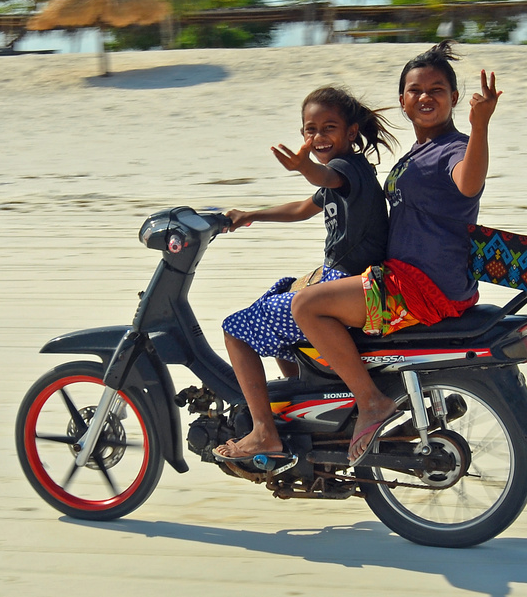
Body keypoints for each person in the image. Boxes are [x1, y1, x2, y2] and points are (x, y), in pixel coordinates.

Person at [291, 42, 502, 463]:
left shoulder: (454, 148)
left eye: (437, 89)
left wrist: (480, 127)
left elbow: (468, 184)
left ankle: (370, 401)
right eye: (415, 90)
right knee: (297, 288)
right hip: (409, 275)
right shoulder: (417, 152)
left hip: (420, 286)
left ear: (455, 98)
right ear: (403, 101)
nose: (426, 97)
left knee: (306, 307)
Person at [215, 86, 395, 461]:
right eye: (310, 130)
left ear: (351, 132)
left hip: (348, 285)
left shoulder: (347, 169)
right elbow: (302, 207)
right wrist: (251, 214)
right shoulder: (345, 174)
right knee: (277, 295)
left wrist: (304, 167)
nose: (318, 137)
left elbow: (323, 179)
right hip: (342, 280)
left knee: (236, 330)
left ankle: (265, 431)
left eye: (329, 127)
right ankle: (307, 405)